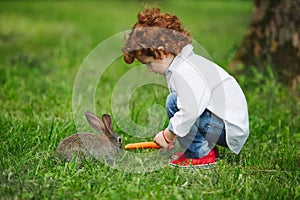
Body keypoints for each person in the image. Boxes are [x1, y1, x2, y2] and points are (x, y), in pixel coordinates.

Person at [122, 8, 249, 168]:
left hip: (228, 128)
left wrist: (169, 134)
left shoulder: (184, 70)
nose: (150, 70)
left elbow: (192, 109)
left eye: (149, 63)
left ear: (161, 51)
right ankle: (204, 148)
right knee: (176, 101)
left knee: (174, 102)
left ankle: (199, 154)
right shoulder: (182, 64)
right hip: (223, 123)